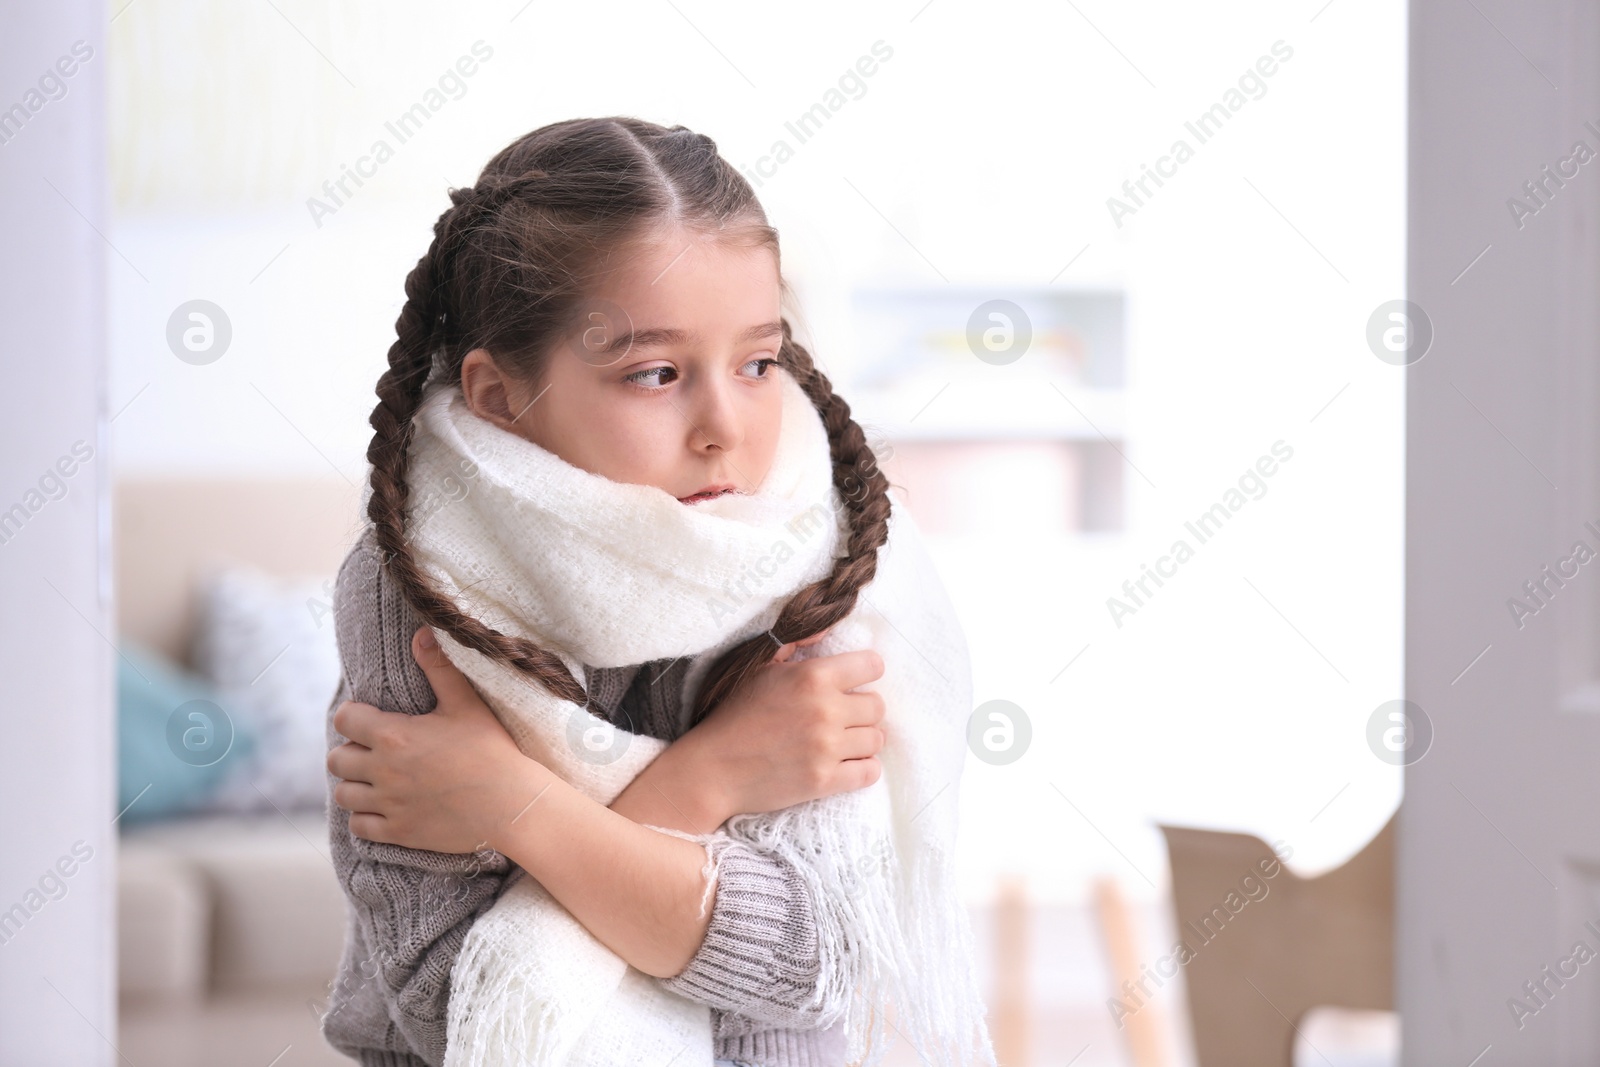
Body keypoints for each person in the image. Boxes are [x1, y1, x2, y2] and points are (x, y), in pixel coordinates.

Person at [320, 116, 992, 1067]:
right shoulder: (422, 584)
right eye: (655, 373)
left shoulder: (808, 556)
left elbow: (812, 964)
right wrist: (718, 775)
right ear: (501, 395)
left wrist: (513, 805)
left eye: (758, 362)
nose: (726, 426)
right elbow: (452, 1002)